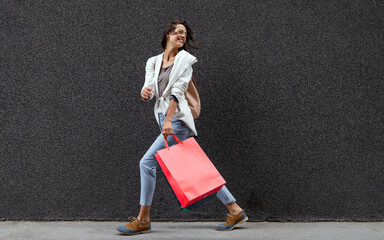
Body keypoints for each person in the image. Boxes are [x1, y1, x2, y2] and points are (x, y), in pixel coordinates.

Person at [116, 19, 248, 235]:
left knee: (147, 164)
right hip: (164, 120)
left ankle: (143, 219)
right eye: (178, 32)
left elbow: (178, 90)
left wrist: (168, 120)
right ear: (167, 34)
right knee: (197, 169)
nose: (182, 36)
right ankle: (235, 209)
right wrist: (145, 93)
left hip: (176, 121)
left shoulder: (185, 59)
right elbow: (149, 85)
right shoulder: (153, 61)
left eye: (184, 34)